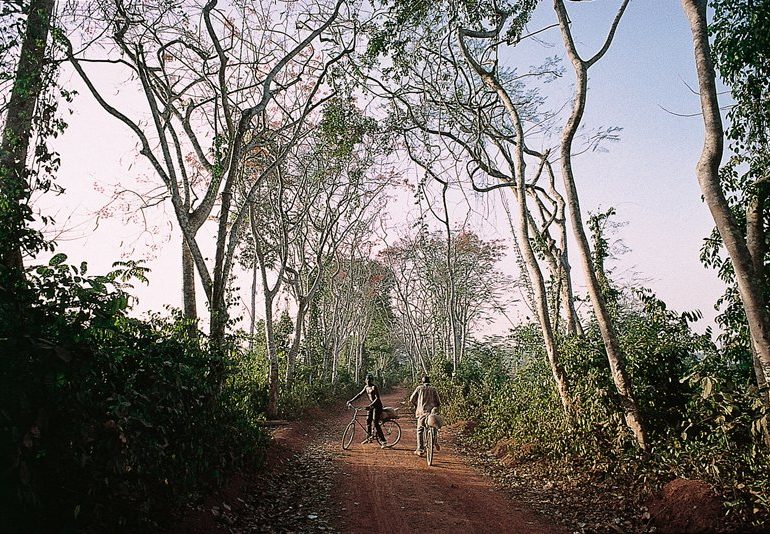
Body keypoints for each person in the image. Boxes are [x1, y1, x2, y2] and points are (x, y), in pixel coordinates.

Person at [347, 374, 387, 448]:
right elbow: (359, 395)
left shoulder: (374, 387)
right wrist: (351, 401)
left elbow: (377, 398)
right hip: (372, 406)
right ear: (365, 380)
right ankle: (369, 437)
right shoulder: (366, 387)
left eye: (369, 380)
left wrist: (370, 405)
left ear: (371, 380)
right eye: (367, 380)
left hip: (378, 406)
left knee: (375, 422)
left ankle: (383, 441)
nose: (368, 381)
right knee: (368, 420)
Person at [409, 375, 441, 456]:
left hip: (421, 413)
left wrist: (417, 405)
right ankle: (434, 441)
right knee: (434, 426)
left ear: (422, 381)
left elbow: (411, 399)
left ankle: (420, 449)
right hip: (431, 413)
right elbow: (438, 403)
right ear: (429, 382)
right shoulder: (433, 389)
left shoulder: (419, 388)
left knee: (420, 430)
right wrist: (434, 407)